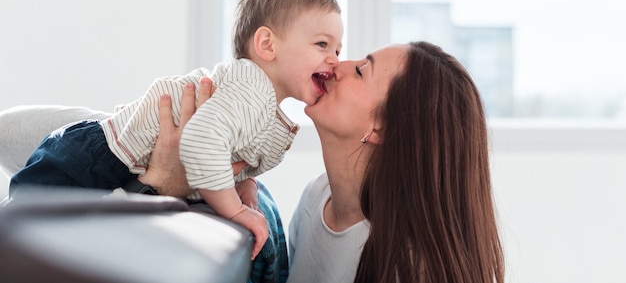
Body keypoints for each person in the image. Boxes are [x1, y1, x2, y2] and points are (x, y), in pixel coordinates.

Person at [9, 0, 343, 260]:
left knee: (44, 236)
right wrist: (236, 210)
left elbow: (231, 152)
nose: (334, 59)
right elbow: (202, 141)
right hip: (94, 155)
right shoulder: (251, 87)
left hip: (118, 162)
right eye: (322, 44)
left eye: (338, 49)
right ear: (267, 44)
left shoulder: (265, 107)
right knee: (23, 225)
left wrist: (246, 184)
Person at [145, 41, 505, 283]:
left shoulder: (405, 266)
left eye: (362, 70)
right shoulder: (317, 196)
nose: (337, 64)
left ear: (381, 126)